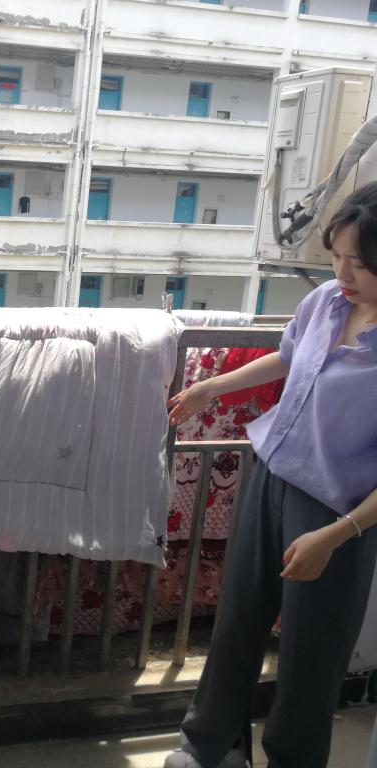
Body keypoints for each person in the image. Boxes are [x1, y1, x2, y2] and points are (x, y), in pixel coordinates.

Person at [163, 182, 377, 768]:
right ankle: (210, 745)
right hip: (271, 479)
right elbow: (287, 356)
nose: (343, 273)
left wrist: (336, 535)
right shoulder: (326, 301)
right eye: (336, 256)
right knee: (238, 620)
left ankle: (292, 759)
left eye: (360, 264)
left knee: (312, 650)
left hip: (338, 513)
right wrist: (212, 386)